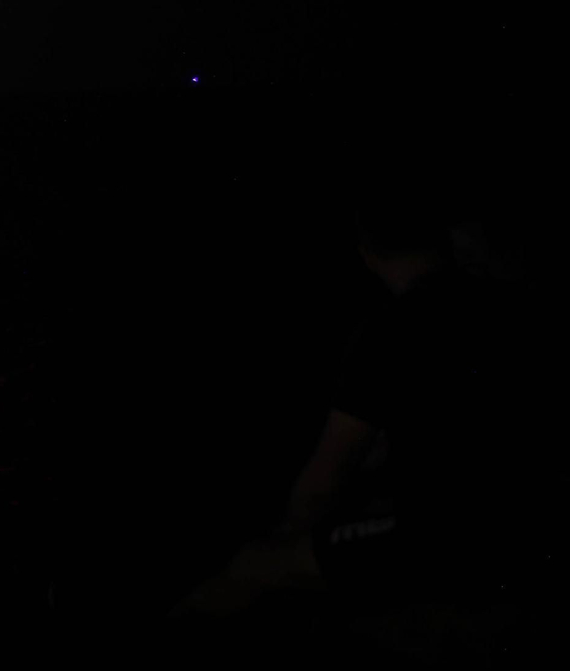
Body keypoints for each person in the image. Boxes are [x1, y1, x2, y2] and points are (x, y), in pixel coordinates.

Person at [167, 180, 556, 655]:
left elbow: (327, 475)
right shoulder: (509, 308)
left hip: (454, 542)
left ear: (366, 249)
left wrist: (287, 532)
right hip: (530, 528)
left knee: (255, 567)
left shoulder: (394, 330)